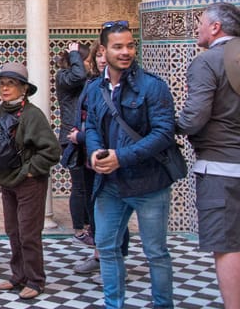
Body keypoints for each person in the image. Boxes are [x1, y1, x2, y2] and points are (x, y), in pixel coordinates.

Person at [84, 20, 179, 308]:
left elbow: (164, 133)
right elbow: (91, 126)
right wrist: (95, 152)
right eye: (118, 47)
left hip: (149, 183)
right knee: (106, 247)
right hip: (110, 185)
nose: (126, 52)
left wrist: (120, 157)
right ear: (103, 50)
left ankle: (163, 304)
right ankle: (114, 304)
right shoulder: (95, 88)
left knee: (155, 252)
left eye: (130, 45)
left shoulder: (152, 86)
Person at [177, 2, 240, 309]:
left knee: (228, 245)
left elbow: (194, 118)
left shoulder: (208, 61)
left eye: (201, 22)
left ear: (215, 27)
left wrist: (169, 126)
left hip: (221, 169)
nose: (197, 28)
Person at [0, 63, 61, 300]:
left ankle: (36, 280)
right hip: (7, 180)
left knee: (29, 233)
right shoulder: (2, 111)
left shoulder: (32, 115)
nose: (5, 88)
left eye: (11, 84)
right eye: (2, 84)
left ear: (24, 88)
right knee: (13, 230)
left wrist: (30, 171)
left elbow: (52, 151)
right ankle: (18, 275)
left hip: (29, 183)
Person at [71, 42, 132, 284]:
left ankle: (116, 266)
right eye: (98, 55)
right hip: (92, 158)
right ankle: (100, 257)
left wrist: (81, 137)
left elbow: (114, 126)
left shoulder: (127, 86)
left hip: (116, 158)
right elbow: (90, 119)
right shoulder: (94, 85)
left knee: (116, 213)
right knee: (96, 209)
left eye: (105, 54)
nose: (102, 59)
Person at [55, 42, 96, 246]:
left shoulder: (85, 80)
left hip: (84, 138)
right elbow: (78, 76)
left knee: (88, 186)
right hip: (71, 139)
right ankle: (79, 230)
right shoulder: (64, 77)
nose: (89, 65)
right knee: (79, 186)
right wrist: (74, 54)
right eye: (86, 61)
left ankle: (90, 227)